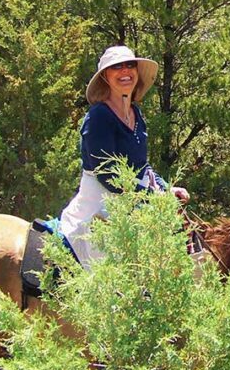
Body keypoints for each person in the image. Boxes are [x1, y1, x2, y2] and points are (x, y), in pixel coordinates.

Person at [60, 45, 190, 268]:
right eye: (116, 67)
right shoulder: (98, 117)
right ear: (105, 77)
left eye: (130, 65)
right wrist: (152, 196)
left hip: (131, 203)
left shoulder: (136, 113)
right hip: (99, 206)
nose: (125, 71)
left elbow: (142, 165)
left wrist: (166, 188)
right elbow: (108, 175)